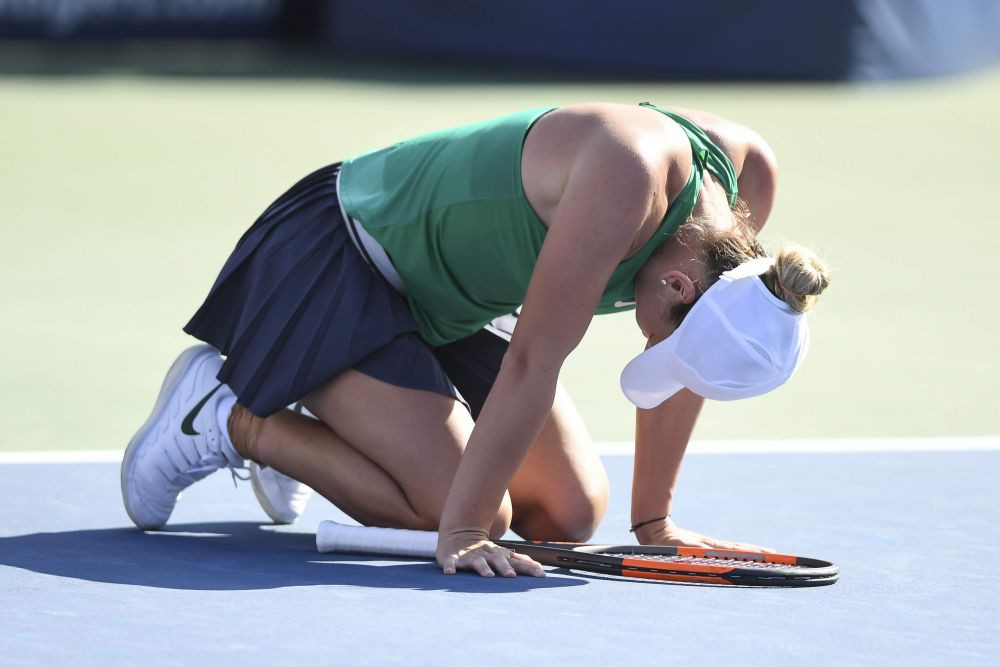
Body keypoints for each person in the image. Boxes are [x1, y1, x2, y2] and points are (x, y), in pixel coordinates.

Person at [121, 101, 830, 579]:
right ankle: (231, 415)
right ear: (678, 286)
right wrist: (462, 532)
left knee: (568, 515)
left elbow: (686, 356)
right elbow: (532, 361)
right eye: (663, 342)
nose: (654, 348)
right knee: (469, 510)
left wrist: (656, 520)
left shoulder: (740, 208)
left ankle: (335, 418)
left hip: (458, 303)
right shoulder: (629, 176)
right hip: (340, 259)